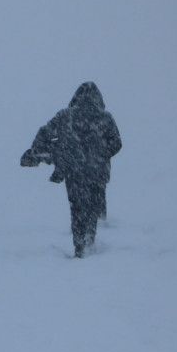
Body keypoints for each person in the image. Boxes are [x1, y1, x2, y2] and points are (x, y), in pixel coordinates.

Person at [21, 81, 122, 258]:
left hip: (74, 171)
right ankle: (90, 240)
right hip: (97, 172)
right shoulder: (106, 118)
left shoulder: (65, 116)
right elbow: (117, 143)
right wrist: (100, 154)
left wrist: (44, 150)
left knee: (77, 208)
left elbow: (44, 133)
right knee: (93, 208)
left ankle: (79, 246)